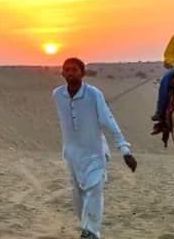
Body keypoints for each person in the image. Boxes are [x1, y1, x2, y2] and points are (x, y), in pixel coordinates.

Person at [53, 57, 137, 239]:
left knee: (94, 189)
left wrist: (124, 149)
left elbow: (108, 120)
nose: (70, 73)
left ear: (82, 73)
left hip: (95, 153)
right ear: (62, 73)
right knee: (78, 194)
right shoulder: (58, 95)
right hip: (72, 155)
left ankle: (90, 231)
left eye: (74, 70)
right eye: (67, 70)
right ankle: (87, 229)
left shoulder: (93, 94)